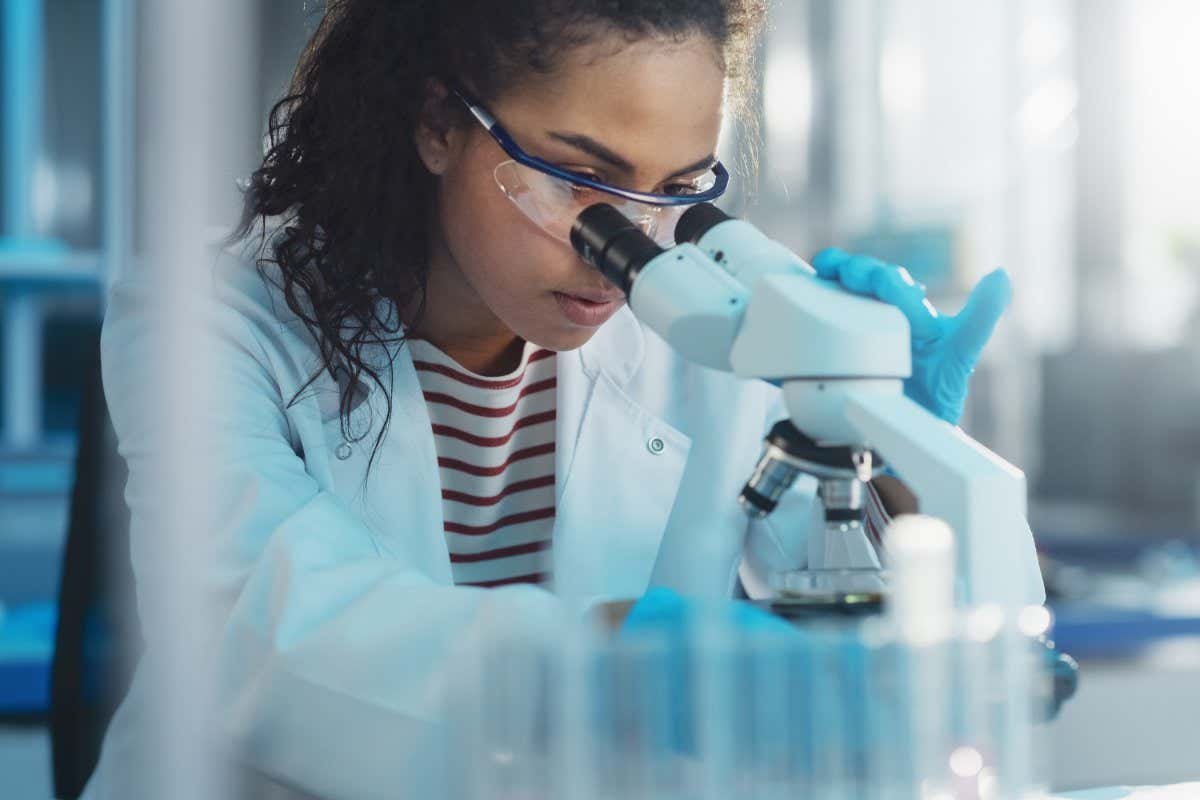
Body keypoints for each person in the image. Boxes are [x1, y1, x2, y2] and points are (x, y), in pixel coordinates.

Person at [86, 1, 1043, 797]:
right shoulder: (211, 319)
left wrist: (899, 444)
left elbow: (902, 653)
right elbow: (263, 639)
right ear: (439, 126)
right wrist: (617, 662)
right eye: (582, 178)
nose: (631, 239)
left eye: (675, 188)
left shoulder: (704, 339)